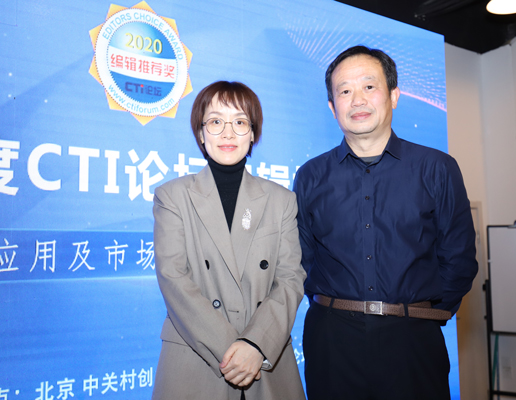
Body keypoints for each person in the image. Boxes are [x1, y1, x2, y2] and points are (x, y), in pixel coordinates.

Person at [293, 45, 478, 400]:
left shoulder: (436, 168)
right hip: (332, 343)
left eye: (369, 86)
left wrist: (419, 315)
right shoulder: (311, 176)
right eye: (344, 91)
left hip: (413, 341)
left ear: (394, 95)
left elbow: (459, 259)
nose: (357, 100)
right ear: (332, 107)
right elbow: (300, 260)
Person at [152, 81, 306, 400]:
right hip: (195, 361)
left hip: (266, 361)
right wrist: (234, 352)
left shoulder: (281, 200)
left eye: (239, 122)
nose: (227, 133)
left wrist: (255, 344)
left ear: (253, 134)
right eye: (215, 121)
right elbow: (173, 278)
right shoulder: (173, 196)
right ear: (200, 133)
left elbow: (291, 279)